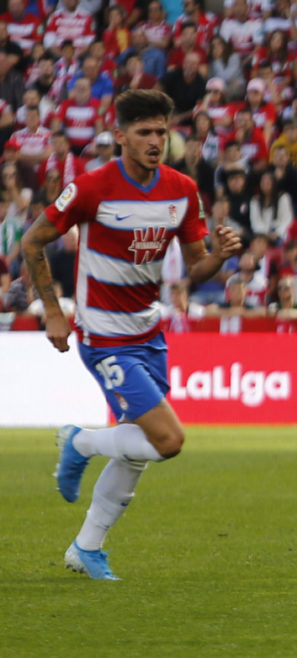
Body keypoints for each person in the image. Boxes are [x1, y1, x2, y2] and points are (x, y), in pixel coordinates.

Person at [20, 89, 242, 580]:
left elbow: (195, 267)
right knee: (168, 440)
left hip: (150, 330)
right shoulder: (91, 188)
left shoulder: (182, 189)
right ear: (120, 136)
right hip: (103, 335)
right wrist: (54, 313)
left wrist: (221, 258)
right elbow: (32, 241)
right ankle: (81, 443)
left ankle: (87, 547)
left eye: (162, 131)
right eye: (144, 132)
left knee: (139, 450)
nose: (155, 140)